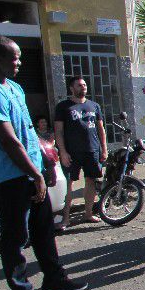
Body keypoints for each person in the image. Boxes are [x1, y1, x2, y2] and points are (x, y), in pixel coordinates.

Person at [0, 35, 87, 290]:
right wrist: (34, 174)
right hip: (12, 175)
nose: (19, 63)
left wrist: (45, 165)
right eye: (14, 58)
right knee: (15, 236)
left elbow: (28, 131)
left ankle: (54, 279)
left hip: (32, 170)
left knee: (43, 228)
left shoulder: (12, 87)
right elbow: (8, 139)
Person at [54, 76, 107, 226]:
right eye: (79, 85)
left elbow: (100, 129)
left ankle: (88, 213)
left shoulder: (94, 106)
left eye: (84, 85)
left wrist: (104, 149)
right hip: (72, 152)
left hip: (92, 150)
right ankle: (65, 218)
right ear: (72, 88)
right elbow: (58, 131)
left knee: (91, 181)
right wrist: (62, 152)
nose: (83, 87)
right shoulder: (63, 106)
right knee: (68, 184)